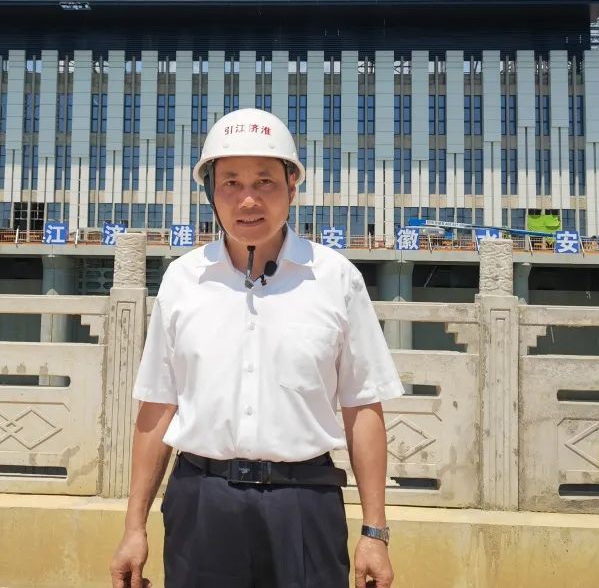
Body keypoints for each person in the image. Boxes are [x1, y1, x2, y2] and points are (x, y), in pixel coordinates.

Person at [110, 107, 404, 588]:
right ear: (211, 192)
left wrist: (375, 533)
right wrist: (134, 527)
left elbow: (362, 406)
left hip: (304, 503)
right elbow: (158, 406)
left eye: (265, 181)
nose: (248, 199)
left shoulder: (336, 279)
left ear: (292, 185)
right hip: (202, 503)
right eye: (231, 183)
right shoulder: (182, 280)